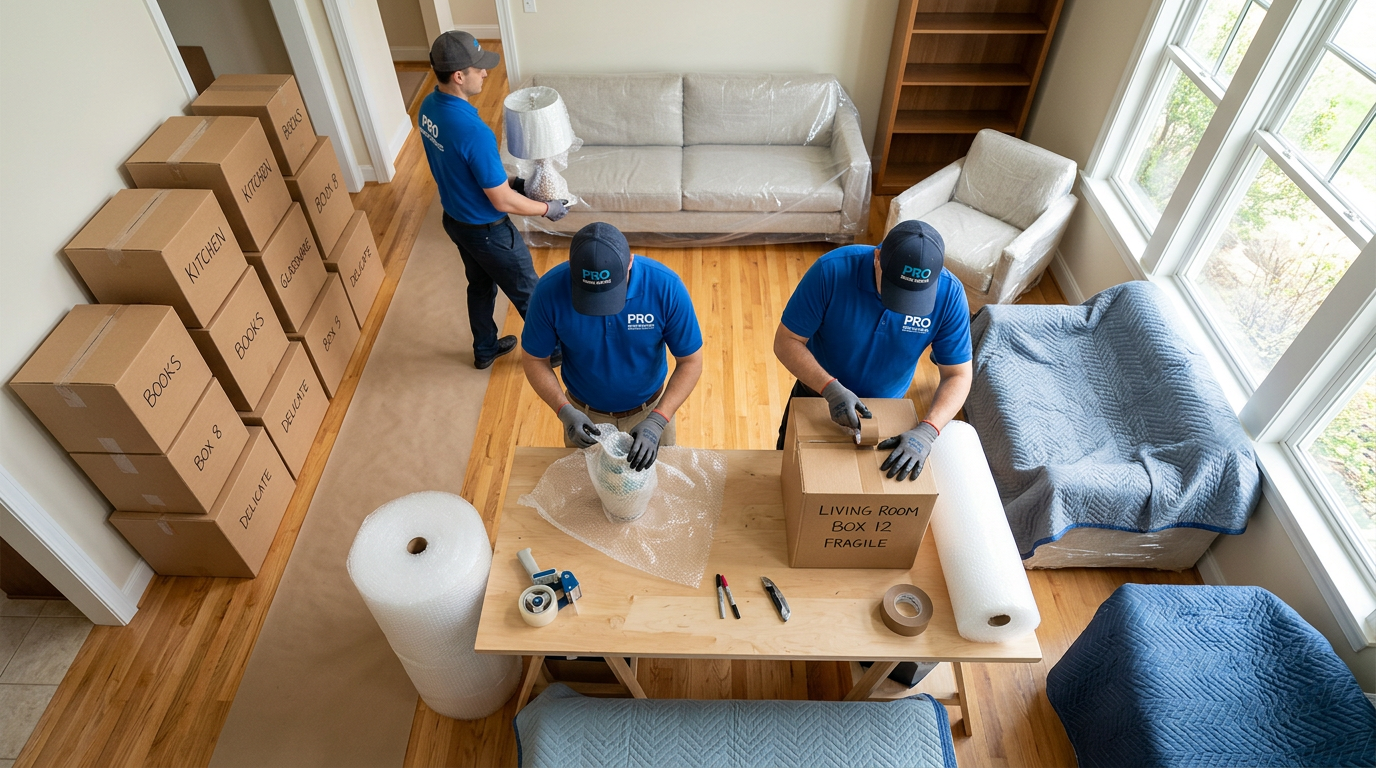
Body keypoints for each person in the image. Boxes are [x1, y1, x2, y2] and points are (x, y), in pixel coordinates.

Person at [773, 220, 972, 480]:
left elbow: (958, 375)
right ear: (877, 258)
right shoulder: (831, 271)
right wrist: (830, 389)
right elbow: (786, 341)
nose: (898, 306)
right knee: (786, 472)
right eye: (894, 289)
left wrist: (928, 431)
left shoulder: (949, 295)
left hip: (888, 410)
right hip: (817, 395)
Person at [418, 30, 568, 369]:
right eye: (478, 68)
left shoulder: (428, 107)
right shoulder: (473, 131)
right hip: (487, 230)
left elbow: (463, 163)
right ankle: (558, 352)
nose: (485, 73)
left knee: (480, 286)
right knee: (532, 293)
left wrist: (512, 180)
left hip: (455, 220)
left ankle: (484, 349)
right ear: (459, 76)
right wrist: (547, 209)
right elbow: (502, 202)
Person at [522, 223, 703, 471]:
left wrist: (659, 420)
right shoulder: (548, 292)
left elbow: (690, 361)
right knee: (586, 494)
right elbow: (534, 360)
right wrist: (564, 410)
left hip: (651, 412)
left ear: (629, 262)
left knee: (656, 491)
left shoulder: (666, 287)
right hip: (583, 418)